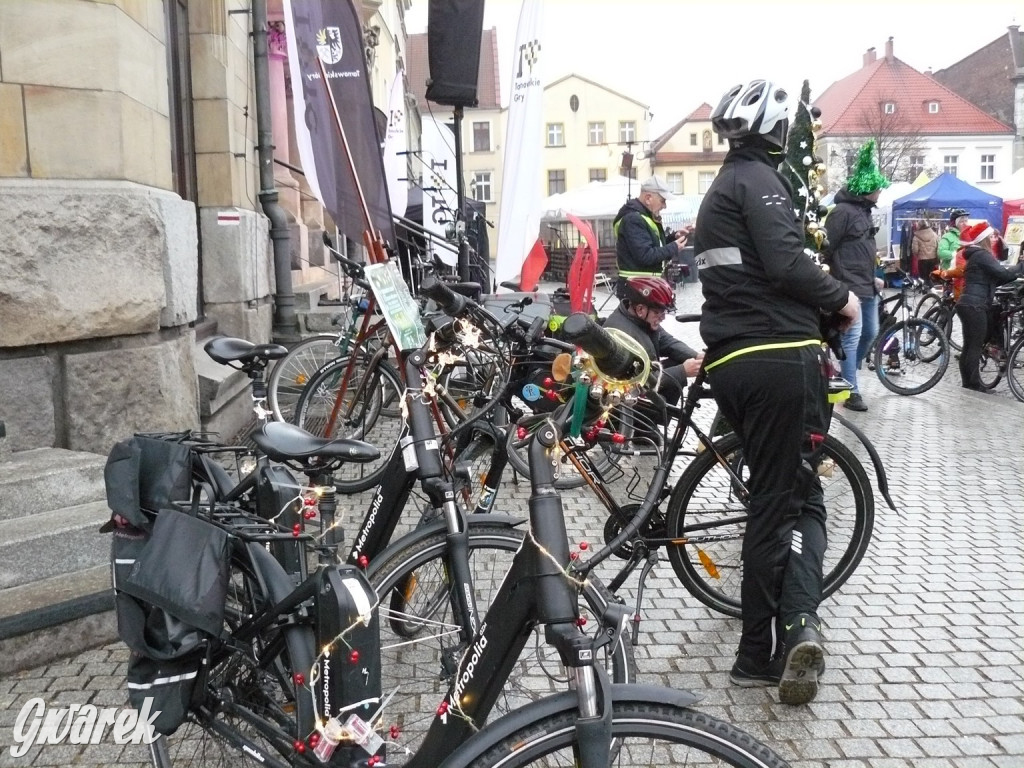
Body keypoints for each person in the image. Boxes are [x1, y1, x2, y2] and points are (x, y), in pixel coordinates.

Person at [695, 79, 860, 706]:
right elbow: (788, 264)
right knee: (782, 502)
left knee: (786, 492)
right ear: (775, 129)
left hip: (737, 356)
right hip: (774, 356)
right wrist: (841, 299)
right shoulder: (760, 183)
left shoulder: (725, 185)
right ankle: (759, 651)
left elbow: (749, 270)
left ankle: (792, 629)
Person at [822, 141, 888, 412]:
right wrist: (835, 283)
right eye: (878, 187)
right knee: (852, 337)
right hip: (849, 287)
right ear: (867, 189)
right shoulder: (841, 213)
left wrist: (874, 276)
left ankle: (843, 375)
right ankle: (850, 392)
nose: (880, 191)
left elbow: (862, 250)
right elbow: (827, 248)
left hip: (867, 286)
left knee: (871, 334)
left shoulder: (863, 212)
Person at [938, 223, 1024, 391]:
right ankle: (974, 384)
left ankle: (968, 383)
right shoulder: (983, 255)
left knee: (970, 345)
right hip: (975, 305)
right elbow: (1004, 273)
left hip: (967, 303)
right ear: (984, 239)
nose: (993, 240)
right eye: (991, 237)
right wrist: (1021, 266)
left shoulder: (975, 255)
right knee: (975, 345)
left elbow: (998, 278)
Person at [603, 276, 703, 405]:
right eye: (658, 313)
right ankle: (655, 421)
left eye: (664, 313)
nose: (662, 318)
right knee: (679, 371)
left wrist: (697, 356)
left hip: (645, 380)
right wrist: (682, 371)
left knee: (677, 360)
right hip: (624, 404)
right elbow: (636, 383)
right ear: (640, 309)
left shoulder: (640, 319)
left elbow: (667, 342)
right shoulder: (621, 335)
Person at [613, 175, 690, 294]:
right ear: (648, 198)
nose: (664, 206)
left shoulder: (641, 216)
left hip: (642, 286)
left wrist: (673, 237)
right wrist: (673, 247)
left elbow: (655, 249)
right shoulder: (633, 219)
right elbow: (646, 256)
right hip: (638, 289)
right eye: (662, 201)